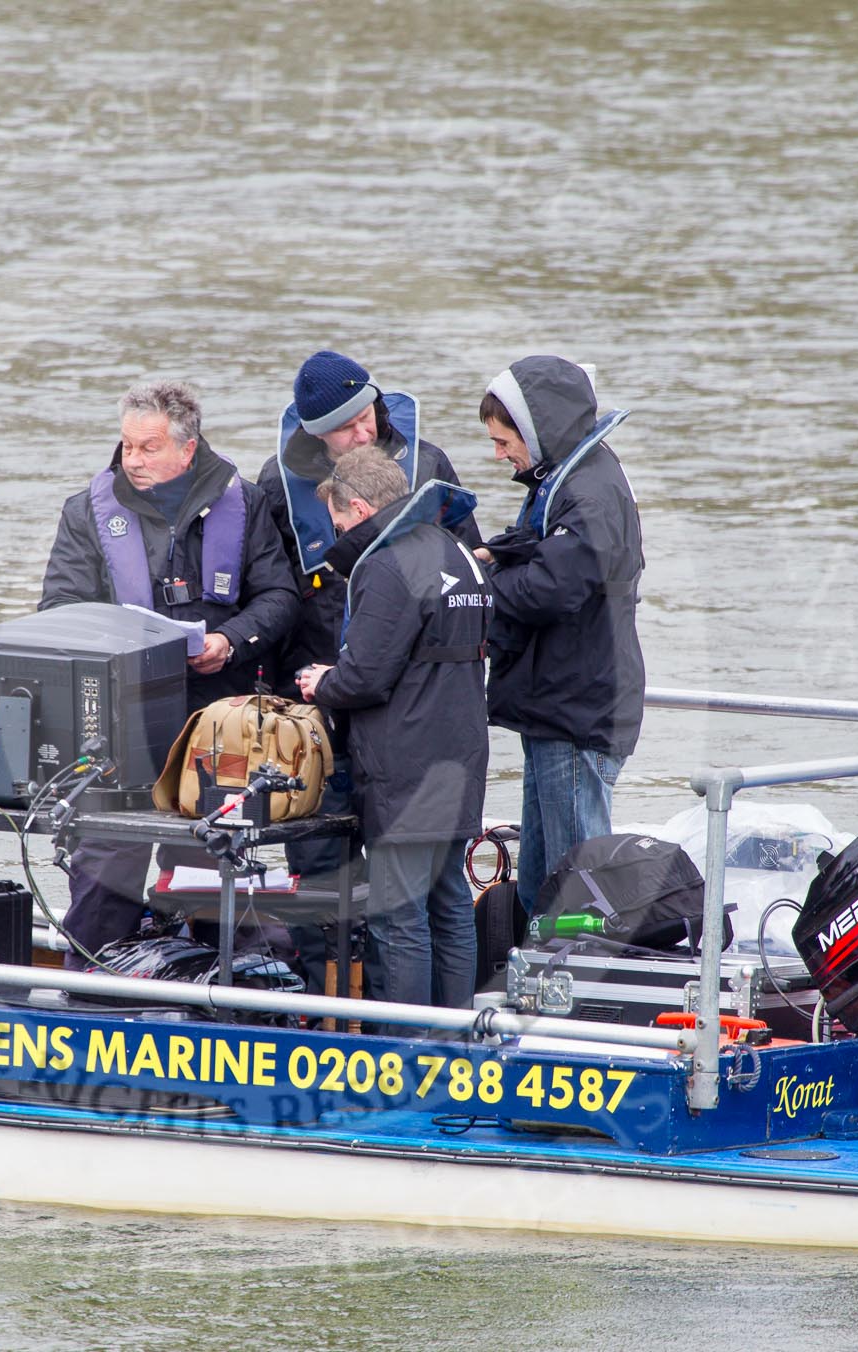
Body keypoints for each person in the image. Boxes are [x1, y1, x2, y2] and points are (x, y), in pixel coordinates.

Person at [39, 380, 299, 967]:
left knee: (211, 863)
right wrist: (124, 644)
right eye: (127, 446)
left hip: (218, 714)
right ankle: (91, 989)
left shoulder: (248, 503)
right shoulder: (86, 511)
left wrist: (230, 640)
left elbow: (280, 598)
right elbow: (57, 609)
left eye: (148, 448)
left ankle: (215, 990)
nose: (132, 459)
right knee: (107, 856)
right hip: (121, 715)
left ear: (187, 448)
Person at [294, 448, 489, 1022]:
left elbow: (366, 677)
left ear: (357, 506)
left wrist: (321, 682)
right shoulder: (454, 547)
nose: (340, 533)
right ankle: (455, 1039)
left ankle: (406, 1052)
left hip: (406, 763)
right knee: (450, 902)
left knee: (401, 914)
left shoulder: (386, 564)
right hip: (460, 752)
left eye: (339, 522)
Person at [474, 356, 645, 919]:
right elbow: (547, 558)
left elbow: (552, 587)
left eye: (504, 442)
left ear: (537, 430)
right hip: (557, 706)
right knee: (543, 876)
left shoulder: (587, 492)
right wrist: (502, 553)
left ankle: (578, 989)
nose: (500, 455)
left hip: (577, 708)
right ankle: (537, 978)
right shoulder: (570, 478)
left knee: (577, 881)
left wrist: (485, 580)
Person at [258, 350, 481, 687]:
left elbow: (469, 561)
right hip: (313, 670)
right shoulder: (278, 483)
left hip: (415, 672)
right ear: (317, 433)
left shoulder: (428, 465)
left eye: (365, 417)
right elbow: (269, 587)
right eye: (345, 428)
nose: (363, 434)